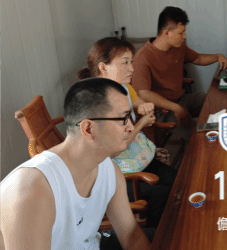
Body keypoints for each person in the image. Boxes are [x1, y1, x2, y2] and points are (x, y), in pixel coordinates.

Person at [0, 78, 153, 250]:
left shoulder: (109, 170)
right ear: (88, 129)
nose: (131, 127)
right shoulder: (32, 190)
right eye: (123, 118)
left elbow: (132, 236)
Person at [78, 37, 177, 228]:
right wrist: (141, 123)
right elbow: (115, 149)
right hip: (112, 174)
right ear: (103, 67)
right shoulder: (96, 103)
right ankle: (154, 236)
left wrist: (145, 107)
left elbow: (139, 104)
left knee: (176, 179)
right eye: (125, 63)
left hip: (132, 160)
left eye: (132, 61)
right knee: (162, 195)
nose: (132, 68)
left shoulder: (123, 88)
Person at [132, 6, 227, 127]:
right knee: (196, 131)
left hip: (181, 99)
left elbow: (198, 58)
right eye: (181, 32)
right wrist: (175, 108)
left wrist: (218, 56)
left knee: (218, 102)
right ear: (167, 33)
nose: (184, 36)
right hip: (161, 110)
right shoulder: (142, 57)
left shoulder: (178, 47)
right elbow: (144, 94)